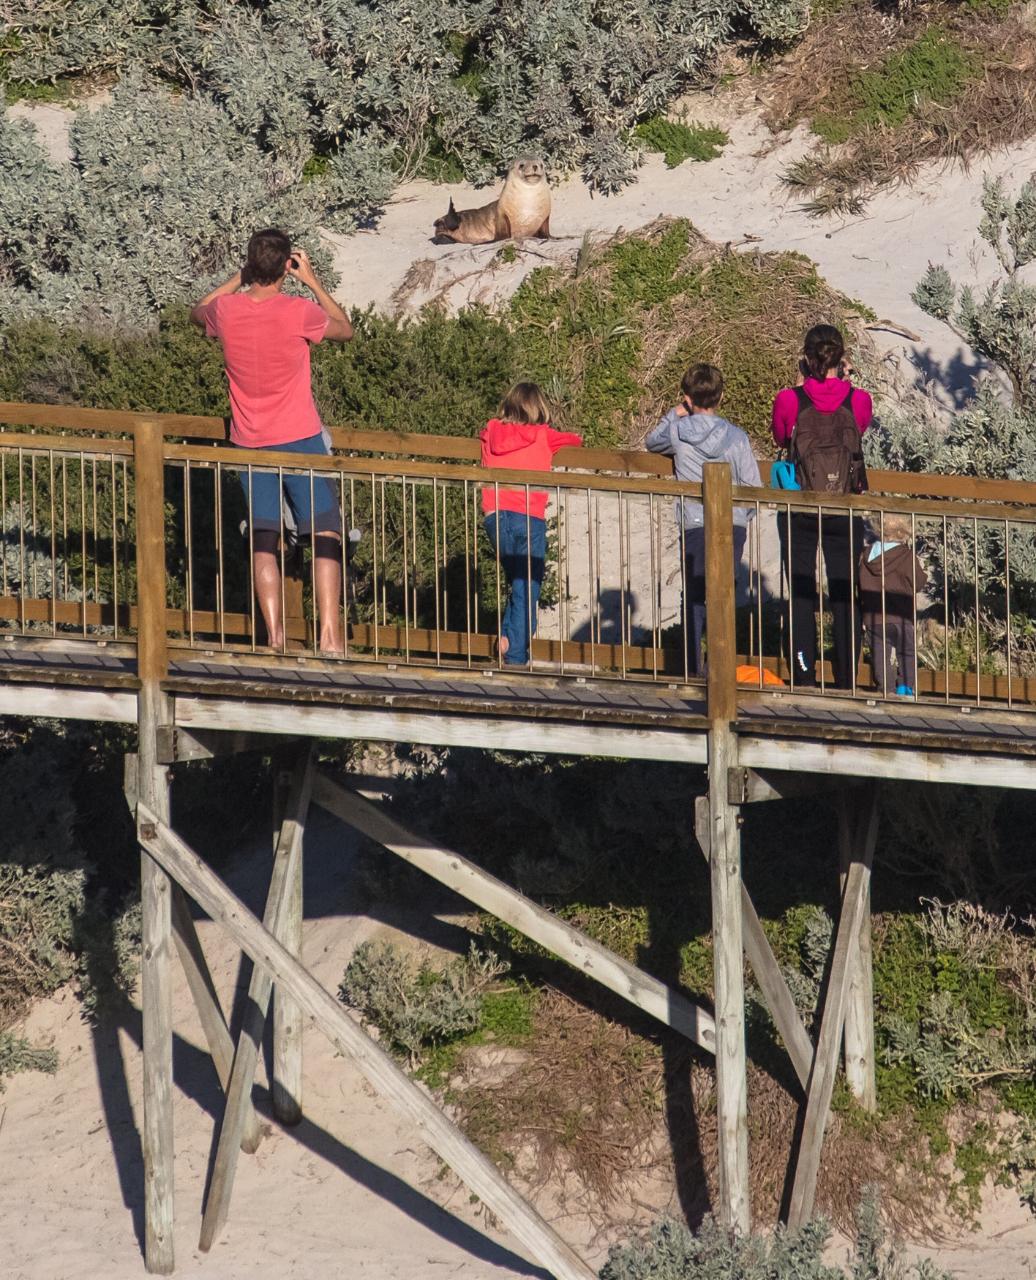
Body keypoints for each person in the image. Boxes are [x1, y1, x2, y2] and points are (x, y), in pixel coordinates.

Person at [191, 228, 353, 653]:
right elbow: (344, 329)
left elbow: (197, 311)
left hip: (248, 440)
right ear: (286, 265)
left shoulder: (226, 311)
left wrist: (237, 278)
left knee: (264, 535)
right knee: (325, 531)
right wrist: (313, 281)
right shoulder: (298, 311)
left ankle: (275, 637)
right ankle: (330, 637)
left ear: (251, 264)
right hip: (299, 436)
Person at [771, 325, 873, 689]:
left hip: (800, 504)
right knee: (844, 592)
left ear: (807, 358)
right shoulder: (858, 399)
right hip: (844, 507)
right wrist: (843, 381)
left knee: (801, 591)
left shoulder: (789, 399)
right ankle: (847, 678)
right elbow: (860, 429)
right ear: (841, 358)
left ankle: (803, 674)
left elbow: (782, 436)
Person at [645, 363, 761, 678]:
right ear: (721, 397)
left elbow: (651, 441)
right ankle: (720, 668)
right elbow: (753, 485)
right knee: (723, 593)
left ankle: (691, 669)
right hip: (731, 523)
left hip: (695, 522)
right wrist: (742, 517)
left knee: (695, 595)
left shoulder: (678, 432)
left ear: (688, 397)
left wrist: (675, 413)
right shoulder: (737, 437)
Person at [480, 384, 581, 665]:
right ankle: (515, 656)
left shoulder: (490, 430)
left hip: (495, 516)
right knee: (527, 587)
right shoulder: (543, 435)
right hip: (528, 517)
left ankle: (506, 639)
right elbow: (576, 440)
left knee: (518, 584)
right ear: (539, 407)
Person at [858, 514, 926, 698]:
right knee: (907, 652)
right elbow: (918, 582)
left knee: (880, 654)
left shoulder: (866, 555)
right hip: (901, 615)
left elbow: (861, 582)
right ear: (903, 532)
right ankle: (906, 686)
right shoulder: (906, 556)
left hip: (874, 617)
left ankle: (886, 688)